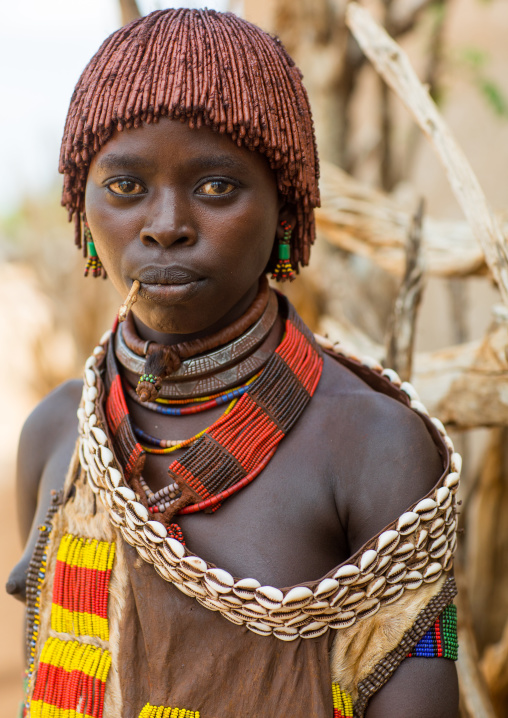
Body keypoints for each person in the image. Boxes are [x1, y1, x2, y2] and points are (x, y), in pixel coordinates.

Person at [7, 9, 460, 717]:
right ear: (81, 208)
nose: (164, 225)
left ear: (286, 208)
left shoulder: (374, 448)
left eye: (216, 187)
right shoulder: (56, 436)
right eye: (125, 187)